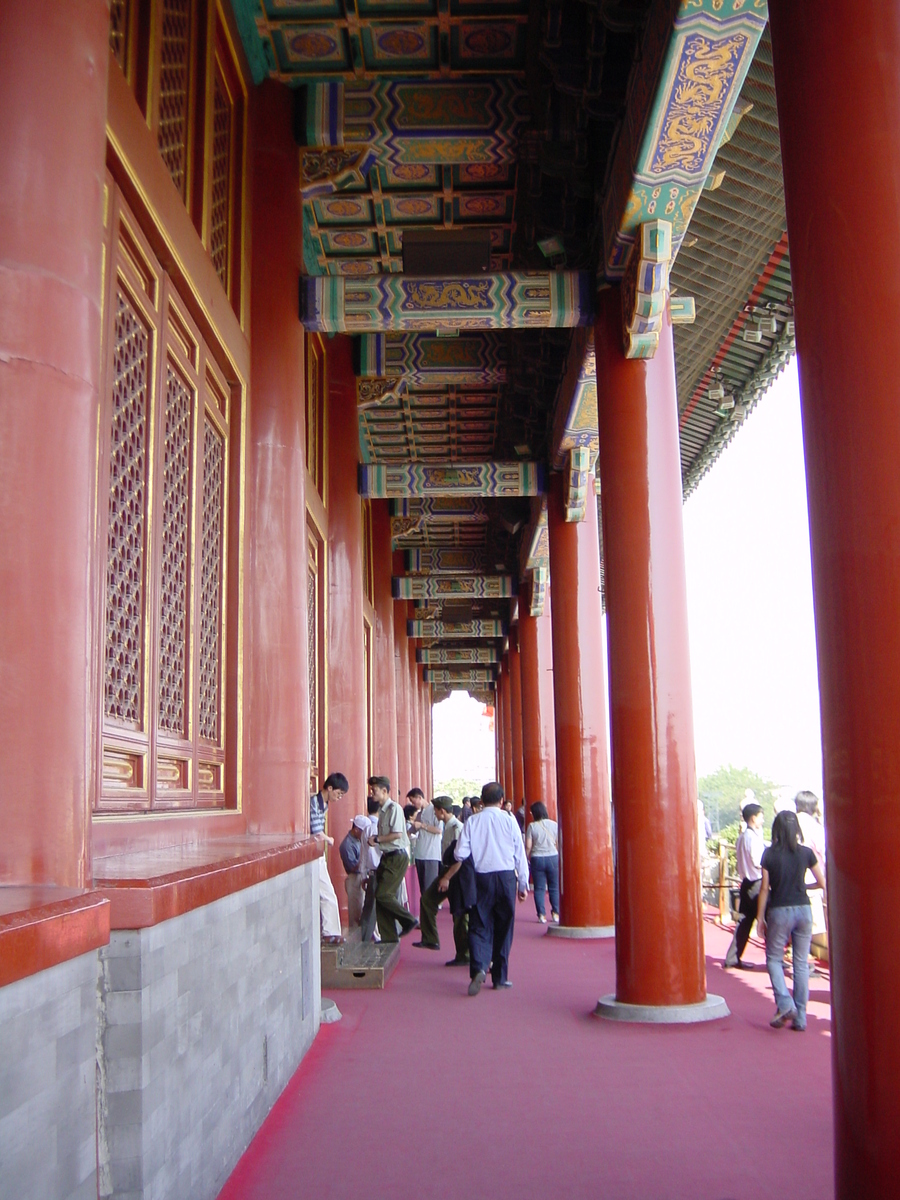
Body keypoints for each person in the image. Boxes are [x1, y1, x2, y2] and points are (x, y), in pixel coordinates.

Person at [440, 781, 529, 995]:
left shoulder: (473, 822)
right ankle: (499, 977)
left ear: (481, 800)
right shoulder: (509, 820)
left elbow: (460, 853)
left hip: (482, 879)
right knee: (504, 927)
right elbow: (520, 853)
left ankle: (479, 966)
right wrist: (523, 883)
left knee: (479, 924)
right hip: (507, 878)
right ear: (501, 800)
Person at [757, 810, 826, 1031]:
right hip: (804, 909)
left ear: (776, 829)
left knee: (774, 959)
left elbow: (764, 889)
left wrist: (760, 918)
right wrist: (804, 887)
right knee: (801, 964)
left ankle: (785, 1003)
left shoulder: (769, 854)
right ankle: (801, 1017)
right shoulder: (806, 853)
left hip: (779, 910)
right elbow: (822, 883)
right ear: (796, 829)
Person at [414, 796, 467, 960]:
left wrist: (447, 878)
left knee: (460, 915)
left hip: (456, 874)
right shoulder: (448, 826)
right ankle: (430, 939)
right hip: (447, 871)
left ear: (441, 811)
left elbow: (460, 858)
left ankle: (464, 954)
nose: (435, 815)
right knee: (428, 900)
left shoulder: (457, 828)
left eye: (435, 811)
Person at [368, 775, 418, 943]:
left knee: (384, 894)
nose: (372, 793)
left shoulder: (394, 808)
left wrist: (376, 839)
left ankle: (408, 920)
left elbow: (396, 834)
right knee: (380, 896)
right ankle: (389, 936)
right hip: (387, 856)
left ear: (384, 791)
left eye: (374, 790)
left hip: (396, 856)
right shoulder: (383, 811)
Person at [724, 802, 765, 968]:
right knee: (768, 920)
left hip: (745, 884)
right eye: (761, 817)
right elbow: (757, 862)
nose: (763, 820)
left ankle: (732, 958)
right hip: (756, 884)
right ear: (754, 818)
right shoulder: (752, 838)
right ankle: (775, 958)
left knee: (744, 922)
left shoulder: (741, 837)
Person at [310, 772, 348, 945]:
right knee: (327, 893)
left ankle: (330, 931)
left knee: (325, 892)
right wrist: (329, 839)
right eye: (338, 793)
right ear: (330, 788)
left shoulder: (323, 805)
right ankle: (330, 932)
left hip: (318, 853)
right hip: (313, 854)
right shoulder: (314, 803)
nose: (339, 798)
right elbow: (316, 830)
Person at [525, 801, 559, 924]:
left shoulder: (532, 826)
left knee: (539, 888)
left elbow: (528, 846)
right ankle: (556, 913)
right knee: (554, 888)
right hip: (553, 857)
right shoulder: (554, 825)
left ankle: (541, 915)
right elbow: (558, 842)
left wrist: (525, 857)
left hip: (537, 858)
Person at [410, 788, 443, 894]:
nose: (413, 804)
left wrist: (423, 826)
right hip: (420, 854)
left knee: (430, 889)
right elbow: (411, 831)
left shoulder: (434, 810)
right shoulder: (419, 814)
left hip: (431, 855)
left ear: (420, 798)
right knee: (423, 890)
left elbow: (438, 830)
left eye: (413, 801)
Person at [339, 816, 368, 927]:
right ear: (356, 830)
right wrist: (364, 859)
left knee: (363, 907)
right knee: (356, 910)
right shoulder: (347, 845)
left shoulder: (359, 840)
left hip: (361, 875)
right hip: (355, 878)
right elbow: (351, 867)